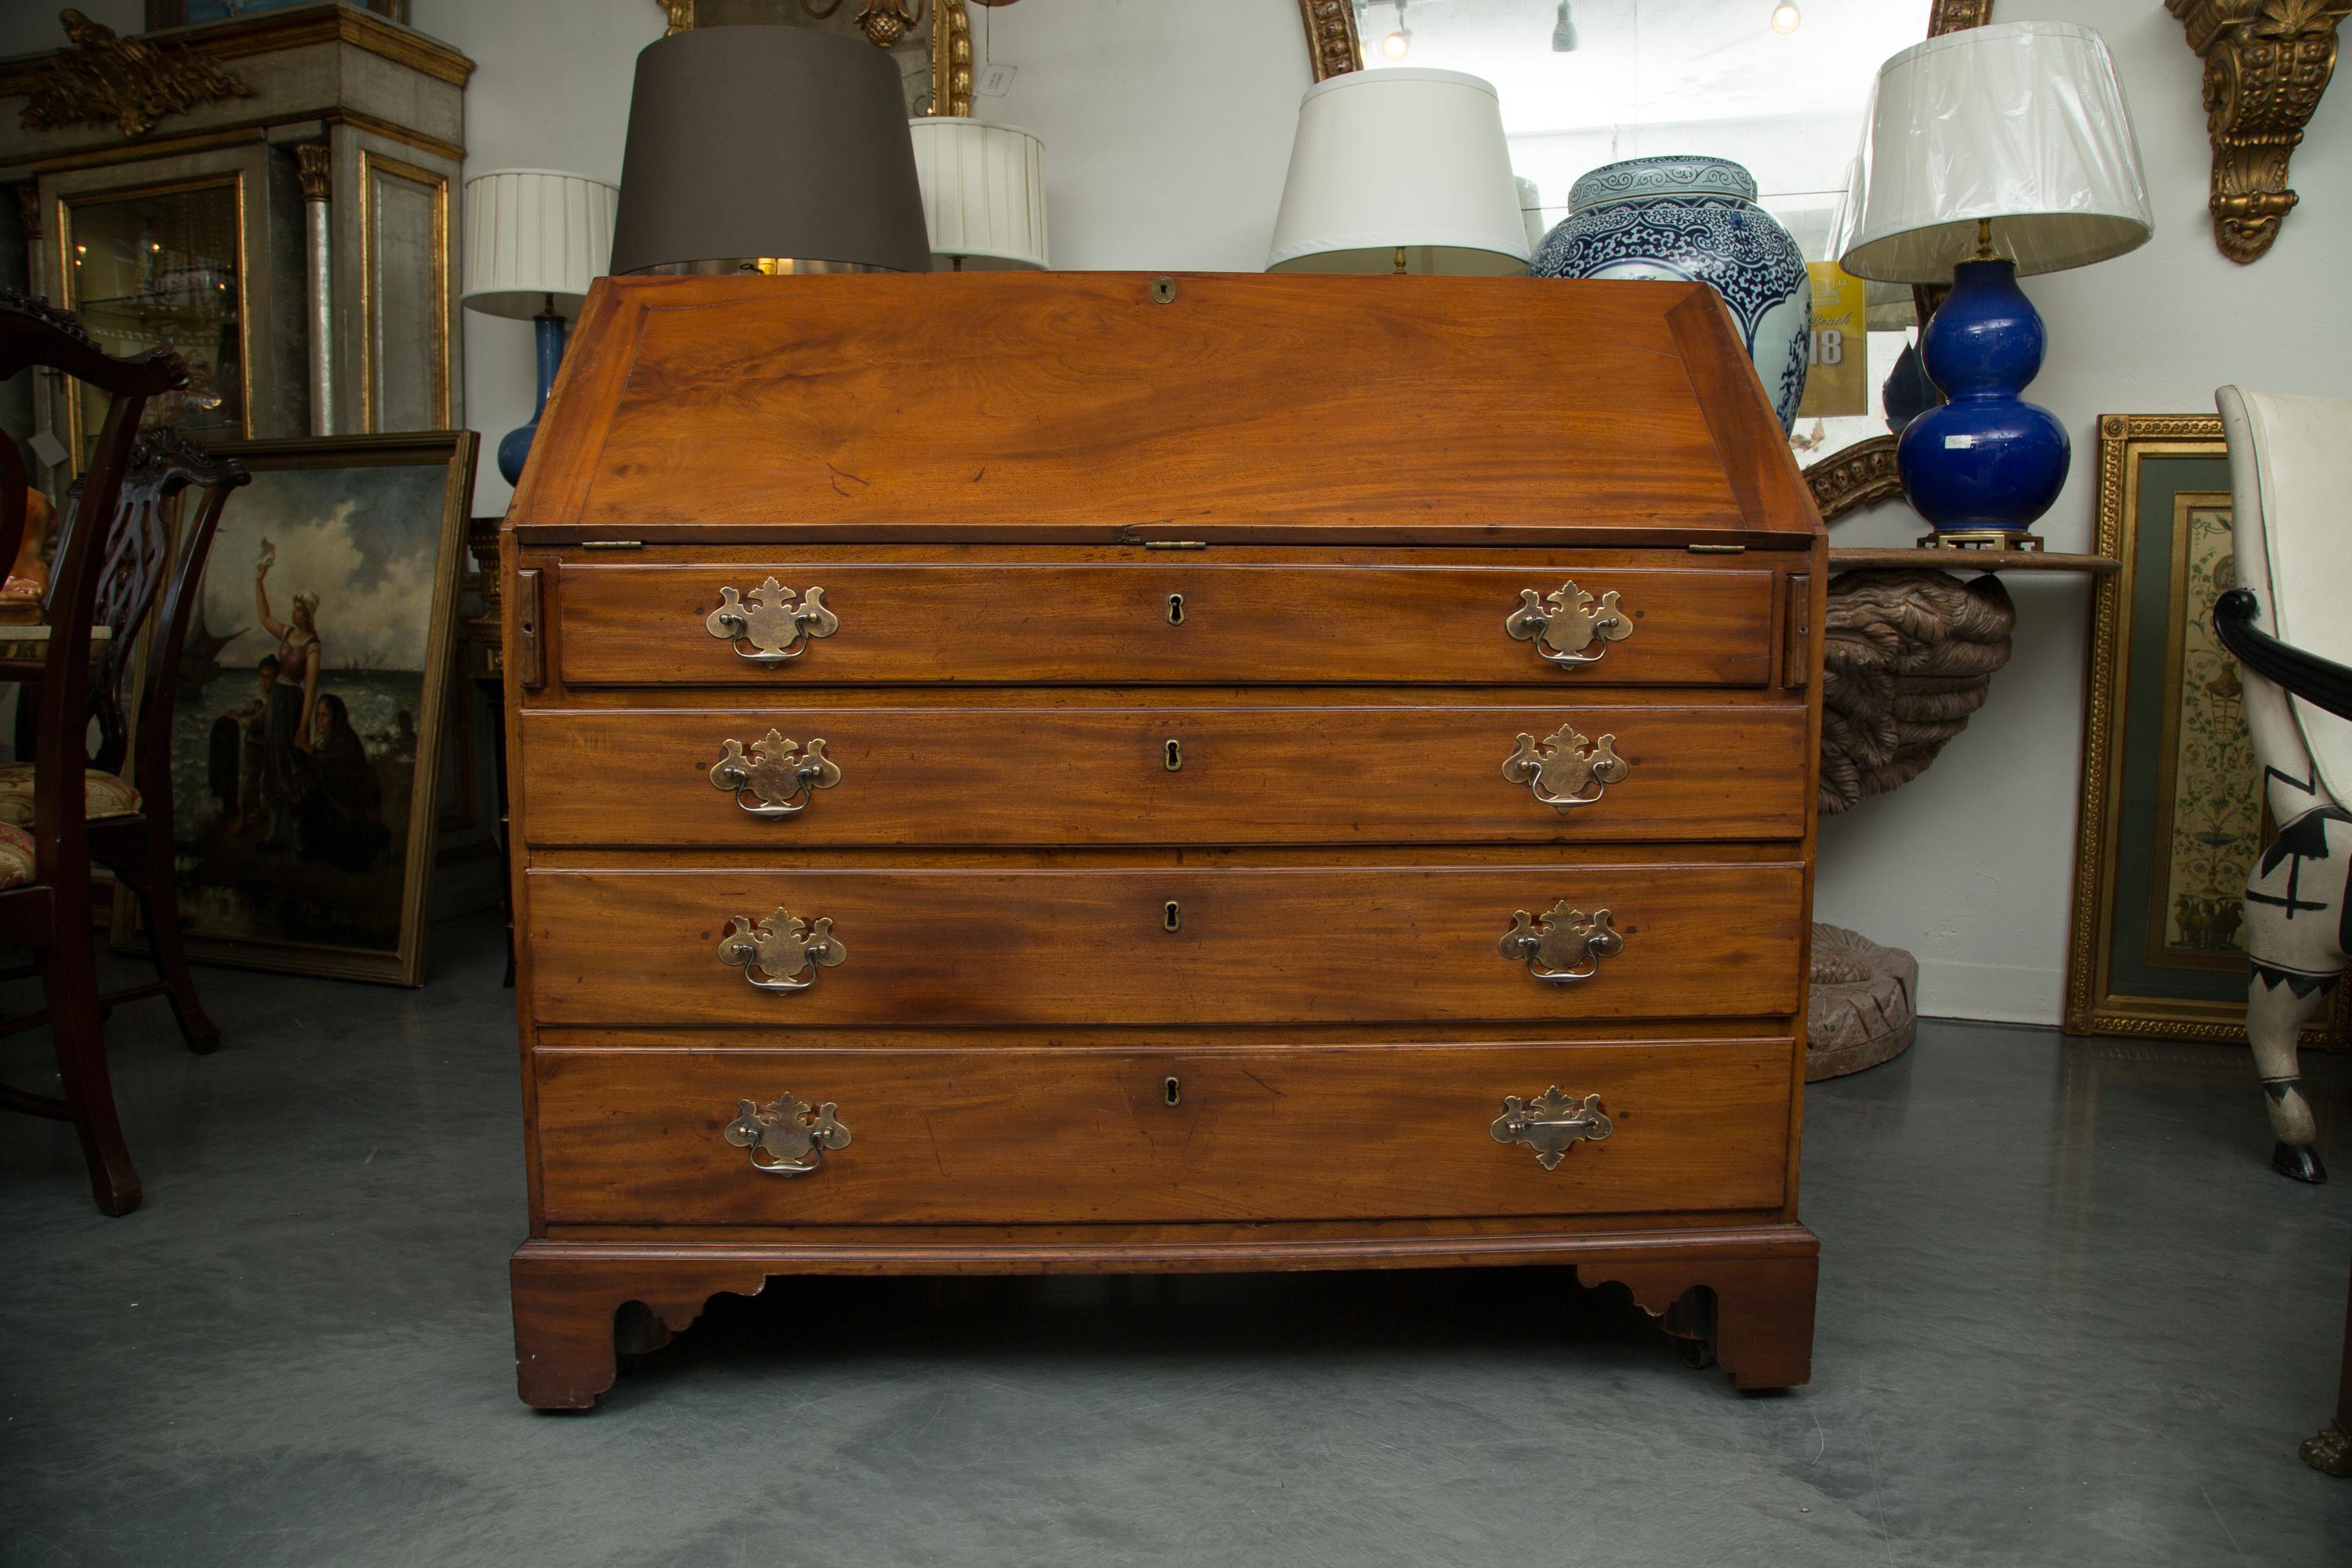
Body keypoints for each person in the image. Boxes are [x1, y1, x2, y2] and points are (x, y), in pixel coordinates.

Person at [254, 553, 321, 849]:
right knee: (273, 764)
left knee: (292, 768)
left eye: (298, 610)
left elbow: (310, 690)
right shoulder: (289, 633)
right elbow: (264, 618)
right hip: (276, 704)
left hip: (293, 706)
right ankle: (273, 831)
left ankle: (298, 836)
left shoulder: (312, 645)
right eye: (293, 610)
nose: (293, 614)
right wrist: (259, 581)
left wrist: (304, 726)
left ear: (307, 614)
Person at [295, 693, 390, 872]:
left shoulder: (345, 741)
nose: (320, 720)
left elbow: (332, 768)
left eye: (325, 716)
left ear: (336, 718)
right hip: (337, 798)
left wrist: (307, 749)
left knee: (353, 860)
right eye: (319, 715)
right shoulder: (327, 739)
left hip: (353, 803)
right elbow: (319, 767)